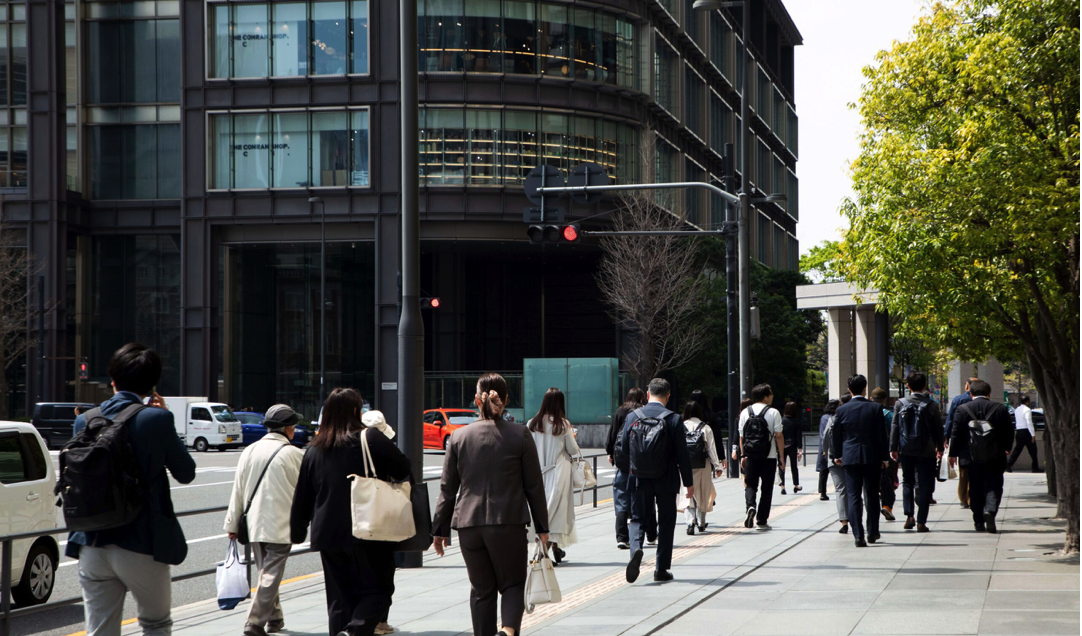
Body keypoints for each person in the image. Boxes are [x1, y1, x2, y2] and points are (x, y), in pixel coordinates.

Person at [68, 343, 196, 636]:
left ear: (112, 380)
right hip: (142, 541)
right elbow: (185, 473)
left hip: (91, 540)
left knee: (100, 630)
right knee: (155, 624)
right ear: (152, 385)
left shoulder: (84, 420)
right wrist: (164, 421)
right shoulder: (157, 418)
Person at [432, 373, 549, 636]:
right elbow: (534, 486)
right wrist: (542, 527)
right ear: (506, 400)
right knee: (512, 584)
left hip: (469, 526)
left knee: (482, 590)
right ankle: (507, 633)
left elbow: (447, 489)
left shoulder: (459, 438)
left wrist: (439, 529)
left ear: (476, 401)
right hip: (507, 522)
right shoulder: (520, 435)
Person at [290, 388, 412, 636]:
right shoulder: (371, 438)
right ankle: (354, 632)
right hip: (368, 527)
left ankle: (343, 631)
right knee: (379, 589)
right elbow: (402, 469)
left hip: (327, 533)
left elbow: (303, 494)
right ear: (356, 411)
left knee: (338, 598)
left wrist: (297, 530)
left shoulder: (314, 448)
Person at [224, 405, 305, 636]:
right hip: (282, 523)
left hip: (253, 522)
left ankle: (275, 618)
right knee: (270, 574)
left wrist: (232, 523)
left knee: (266, 573)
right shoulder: (295, 454)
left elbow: (238, 489)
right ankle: (255, 621)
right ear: (288, 429)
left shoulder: (249, 450)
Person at [622, 378, 693, 584]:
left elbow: (624, 449)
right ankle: (661, 569)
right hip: (666, 478)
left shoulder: (632, 417)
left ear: (647, 394)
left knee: (637, 518)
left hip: (639, 478)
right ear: (668, 397)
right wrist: (688, 482)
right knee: (667, 522)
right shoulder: (673, 419)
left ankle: (636, 549)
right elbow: (682, 454)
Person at [948, 380, 1015, 533]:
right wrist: (1007, 448)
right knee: (994, 485)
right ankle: (990, 511)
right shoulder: (1000, 408)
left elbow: (956, 433)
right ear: (989, 393)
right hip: (995, 455)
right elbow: (1009, 431)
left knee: (975, 487)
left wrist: (953, 454)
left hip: (970, 457)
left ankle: (978, 521)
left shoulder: (962, 409)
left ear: (971, 394)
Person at [831, 375, 889, 547]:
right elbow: (881, 435)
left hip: (850, 457)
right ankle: (872, 532)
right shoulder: (875, 408)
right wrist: (884, 457)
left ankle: (858, 535)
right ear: (865, 388)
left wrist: (837, 455)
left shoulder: (842, 410)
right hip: (871, 456)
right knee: (871, 495)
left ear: (849, 389)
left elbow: (836, 435)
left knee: (853, 496)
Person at [527, 387, 581, 564]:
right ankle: (544, 552)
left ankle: (552, 550)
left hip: (536, 475)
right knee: (556, 514)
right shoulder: (563, 425)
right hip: (558, 473)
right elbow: (573, 450)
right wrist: (572, 435)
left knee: (541, 513)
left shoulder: (531, 424)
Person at [889, 373, 943, 533]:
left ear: (908, 386)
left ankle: (909, 516)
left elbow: (895, 427)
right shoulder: (931, 405)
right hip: (927, 450)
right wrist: (940, 447)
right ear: (925, 386)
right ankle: (921, 521)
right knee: (925, 484)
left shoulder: (900, 404)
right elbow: (938, 429)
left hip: (906, 449)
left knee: (907, 481)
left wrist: (893, 448)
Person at [360, 410, 397, 636]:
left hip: (358, 517)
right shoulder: (386, 449)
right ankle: (379, 621)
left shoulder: (352, 447)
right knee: (384, 571)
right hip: (382, 516)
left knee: (363, 571)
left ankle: (363, 618)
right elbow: (404, 471)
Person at [739, 384, 785, 531]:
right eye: (770, 394)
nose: (772, 396)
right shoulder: (773, 412)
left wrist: (743, 455)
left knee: (751, 484)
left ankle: (750, 506)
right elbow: (778, 435)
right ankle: (762, 519)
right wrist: (781, 458)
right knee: (767, 488)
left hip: (751, 455)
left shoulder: (746, 411)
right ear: (765, 396)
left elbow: (742, 436)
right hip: (769, 456)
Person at [606, 388, 647, 549]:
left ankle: (622, 537)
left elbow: (612, 434)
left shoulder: (620, 412)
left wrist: (610, 452)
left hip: (622, 460)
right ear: (642, 398)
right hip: (640, 460)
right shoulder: (642, 412)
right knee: (642, 496)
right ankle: (649, 533)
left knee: (622, 496)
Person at [678, 400, 725, 535]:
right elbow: (711, 449)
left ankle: (689, 522)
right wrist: (717, 466)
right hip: (703, 465)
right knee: (703, 493)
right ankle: (701, 522)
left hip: (685, 465)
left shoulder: (680, 426)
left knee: (688, 493)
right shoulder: (705, 428)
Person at [945, 377, 977, 508]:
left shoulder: (958, 400)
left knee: (964, 471)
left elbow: (950, 419)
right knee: (975, 470)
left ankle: (963, 498)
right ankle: (972, 496)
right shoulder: (979, 401)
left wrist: (946, 436)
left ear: (967, 386)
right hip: (977, 440)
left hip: (962, 439)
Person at [820, 399, 849, 533]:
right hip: (851, 458)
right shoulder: (850, 418)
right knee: (854, 489)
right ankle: (856, 518)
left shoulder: (832, 420)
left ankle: (844, 521)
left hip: (834, 459)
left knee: (840, 490)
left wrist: (827, 456)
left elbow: (825, 439)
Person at [871, 387, 898, 521]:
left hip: (871, 454)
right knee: (888, 482)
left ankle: (873, 508)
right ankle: (887, 506)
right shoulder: (889, 415)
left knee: (872, 484)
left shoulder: (868, 413)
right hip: (887, 453)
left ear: (871, 399)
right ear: (884, 399)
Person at [1006, 395, 1041, 473]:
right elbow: (1029, 422)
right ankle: (1035, 467)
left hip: (1019, 431)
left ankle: (1008, 464)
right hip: (1027, 432)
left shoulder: (1017, 409)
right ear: (1027, 401)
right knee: (1033, 450)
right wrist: (1033, 434)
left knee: (1017, 450)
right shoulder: (1027, 410)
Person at [817, 399, 840, 502]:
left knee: (823, 471)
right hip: (832, 446)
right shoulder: (833, 418)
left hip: (823, 446)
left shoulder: (824, 417)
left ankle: (822, 492)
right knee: (836, 470)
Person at [777, 401, 803, 495]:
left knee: (781, 466)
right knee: (794, 467)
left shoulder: (781, 420)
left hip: (781, 446)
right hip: (792, 446)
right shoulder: (797, 421)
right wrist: (800, 449)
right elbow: (798, 436)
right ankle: (796, 485)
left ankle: (782, 487)